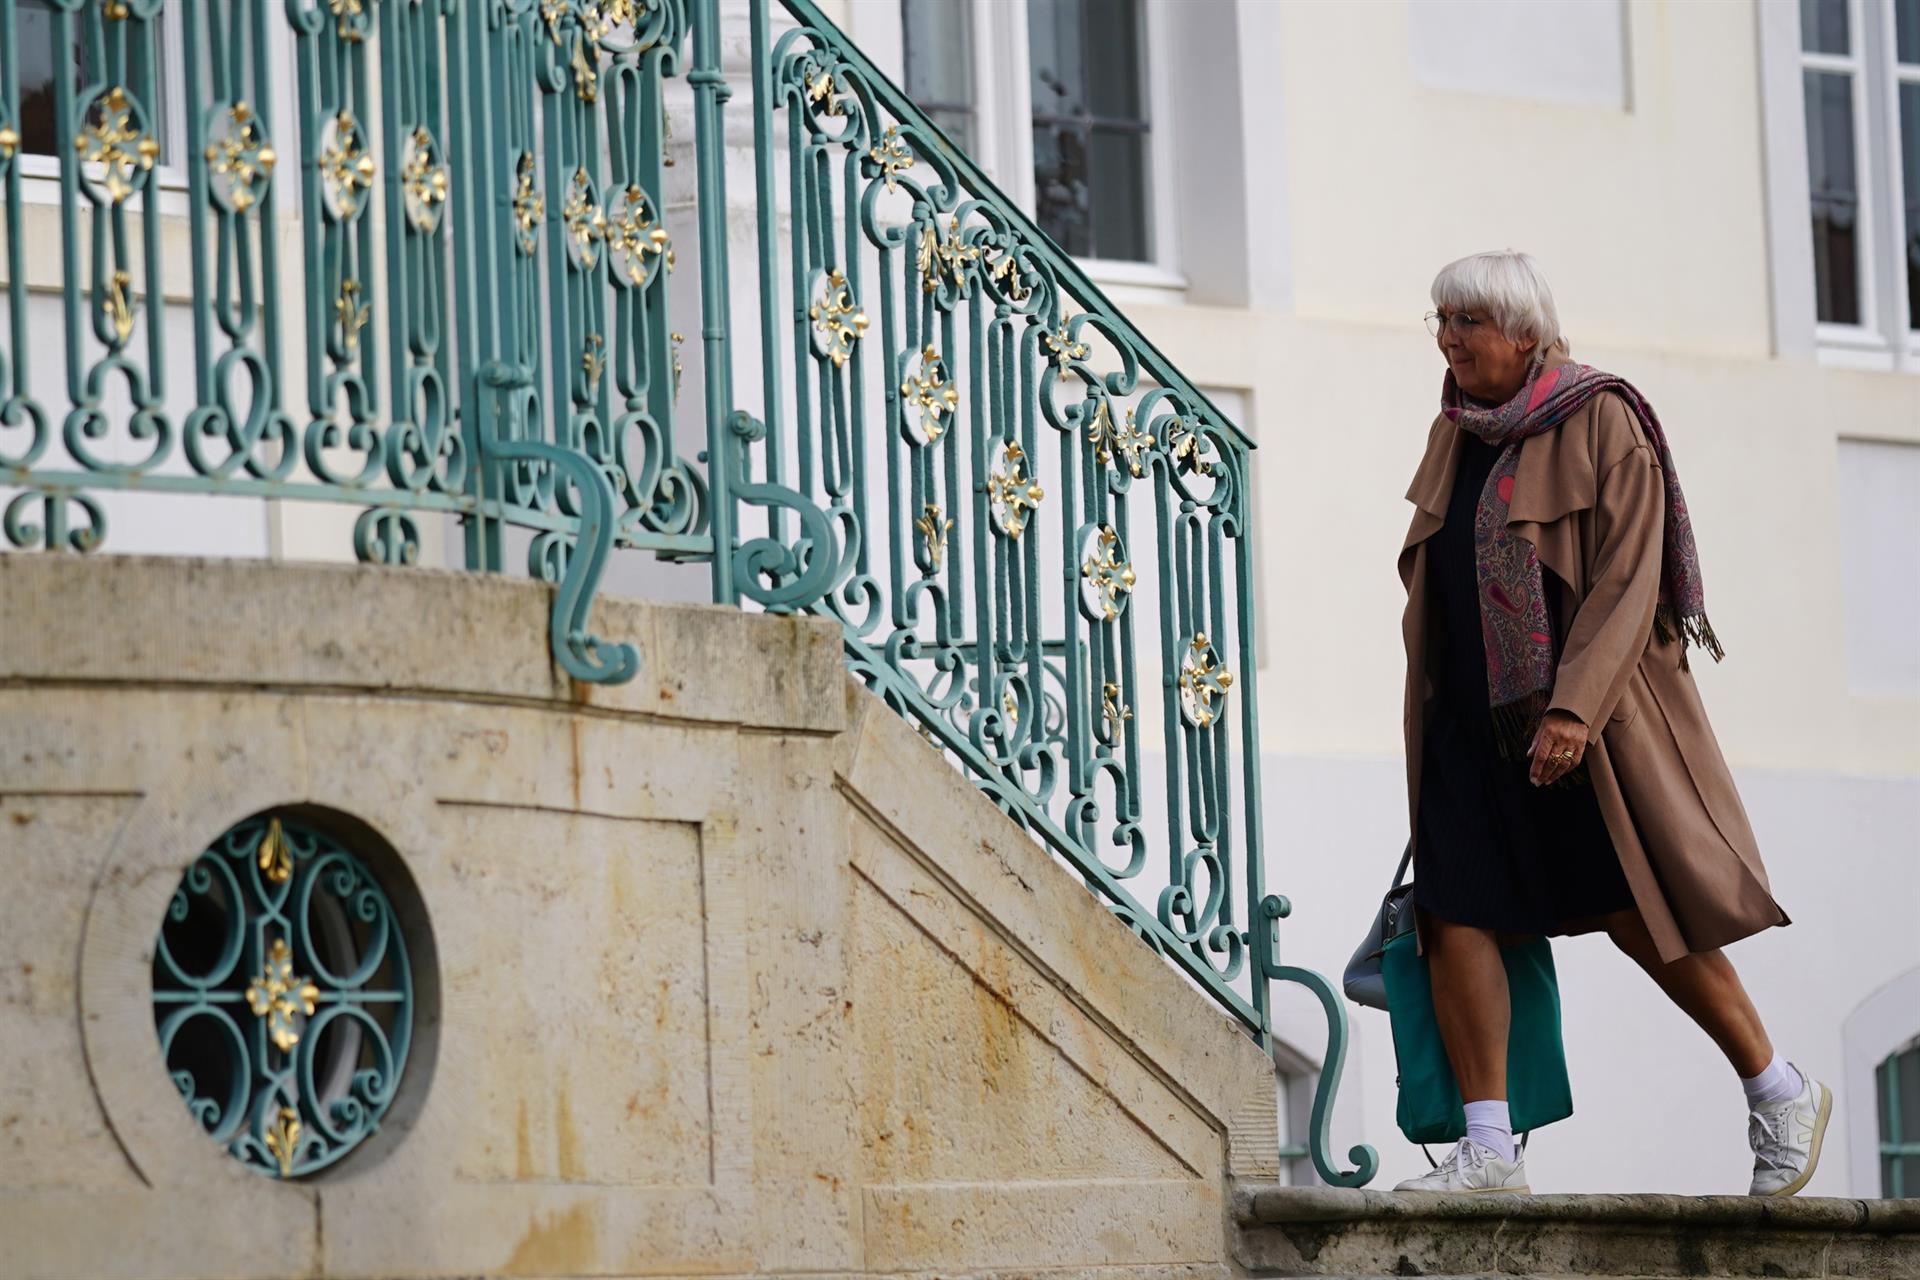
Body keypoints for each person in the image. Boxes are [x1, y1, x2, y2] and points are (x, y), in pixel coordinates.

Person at [1391, 251, 1827, 1197]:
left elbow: (1632, 581)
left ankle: (1778, 1088)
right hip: (1468, 725)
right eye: (1440, 320)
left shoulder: (1602, 417)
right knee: (1454, 911)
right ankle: (1489, 1147)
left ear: (1524, 331)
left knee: (1639, 915)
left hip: (1577, 729)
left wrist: (1574, 708)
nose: (1449, 339)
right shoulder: (1456, 429)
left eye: (1466, 320)